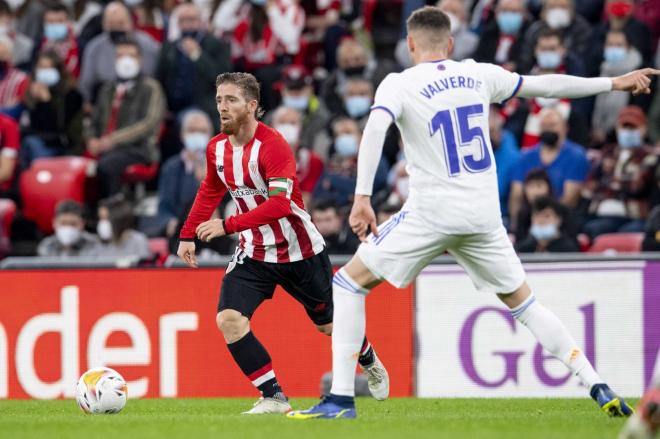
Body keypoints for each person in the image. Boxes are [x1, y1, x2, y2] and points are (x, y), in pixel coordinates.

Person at [288, 6, 657, 419]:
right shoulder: (480, 73)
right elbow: (548, 86)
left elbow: (375, 128)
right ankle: (596, 383)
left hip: (432, 212)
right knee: (526, 304)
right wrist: (613, 82)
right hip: (483, 217)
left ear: (410, 44)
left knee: (348, 285)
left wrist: (361, 197)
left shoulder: (400, 82)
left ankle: (340, 399)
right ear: (449, 43)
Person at [176, 72, 388, 414]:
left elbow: (279, 205)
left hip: (300, 251)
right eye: (219, 100)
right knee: (229, 319)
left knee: (328, 326)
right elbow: (211, 190)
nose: (223, 108)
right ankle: (273, 396)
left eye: (231, 100)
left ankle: (368, 358)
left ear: (252, 105)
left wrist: (226, 224)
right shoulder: (217, 148)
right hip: (253, 252)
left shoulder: (273, 146)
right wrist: (188, 234)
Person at [85, 37, 165, 198]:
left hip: (138, 149)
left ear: (140, 60)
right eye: (121, 56)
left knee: (108, 165)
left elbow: (148, 123)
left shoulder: (151, 88)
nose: (125, 60)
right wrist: (91, 139)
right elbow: (93, 120)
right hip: (104, 146)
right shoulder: (107, 89)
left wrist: (114, 140)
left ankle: (112, 207)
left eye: (131, 56)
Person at [515, 196, 579, 253]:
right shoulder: (523, 249)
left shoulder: (569, 250)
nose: (541, 221)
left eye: (547, 216)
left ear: (558, 219)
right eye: (537, 215)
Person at [96, 194, 151, 259]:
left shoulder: (138, 241)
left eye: (106, 218)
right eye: (101, 218)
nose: (103, 223)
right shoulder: (98, 243)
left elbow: (145, 267)